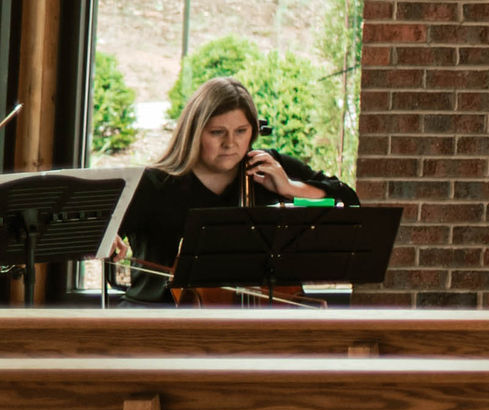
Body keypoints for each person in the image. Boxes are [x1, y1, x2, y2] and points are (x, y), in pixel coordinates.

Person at [113, 75, 358, 304]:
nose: (231, 143)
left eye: (241, 131)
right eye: (217, 132)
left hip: (262, 325)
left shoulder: (266, 168)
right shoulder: (154, 184)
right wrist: (107, 240)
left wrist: (289, 188)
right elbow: (103, 237)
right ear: (194, 133)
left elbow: (348, 202)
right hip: (161, 322)